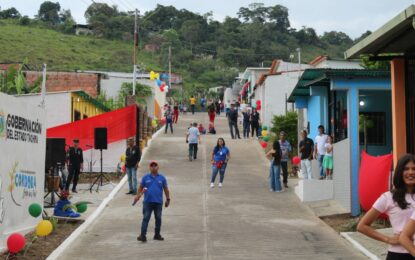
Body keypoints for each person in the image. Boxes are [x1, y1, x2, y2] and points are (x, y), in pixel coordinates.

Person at [357, 154, 415, 260]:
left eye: (414, 169)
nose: (411, 172)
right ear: (399, 173)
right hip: (399, 255)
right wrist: (388, 239)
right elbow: (362, 226)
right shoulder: (389, 197)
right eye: (406, 169)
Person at [134, 161, 170, 243]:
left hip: (158, 202)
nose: (153, 167)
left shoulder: (162, 178)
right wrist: (137, 195)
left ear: (158, 167)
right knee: (146, 218)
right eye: (152, 166)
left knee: (158, 218)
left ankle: (157, 235)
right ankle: (143, 235)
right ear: (149, 168)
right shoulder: (145, 178)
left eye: (155, 165)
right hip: (147, 202)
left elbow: (166, 189)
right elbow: (140, 187)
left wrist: (168, 199)